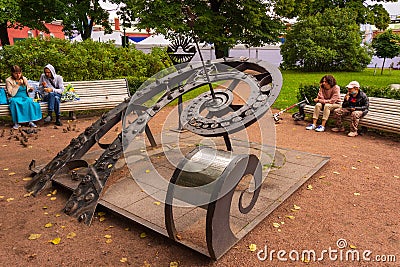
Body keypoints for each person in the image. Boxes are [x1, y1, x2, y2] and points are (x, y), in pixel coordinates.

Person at [5, 65, 42, 129]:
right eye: (16, 73)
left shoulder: (24, 79)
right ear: (12, 73)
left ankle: (30, 121)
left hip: (24, 97)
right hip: (14, 97)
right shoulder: (9, 80)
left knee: (29, 101)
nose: (18, 75)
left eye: (19, 73)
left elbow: (27, 88)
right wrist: (17, 85)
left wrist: (30, 89)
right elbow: (10, 93)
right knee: (15, 102)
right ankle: (17, 122)